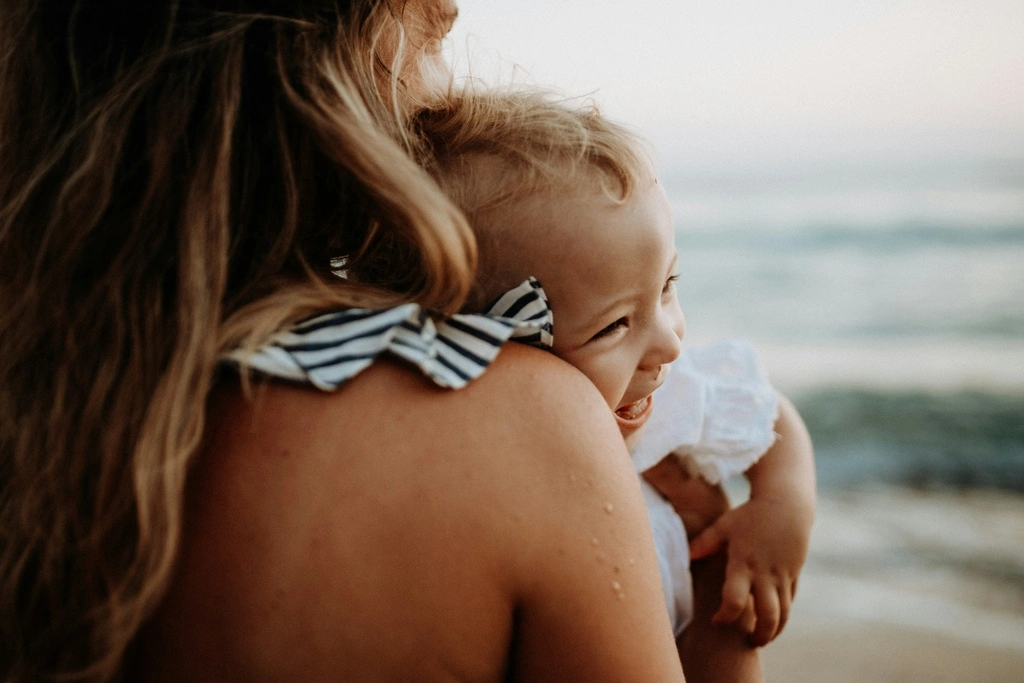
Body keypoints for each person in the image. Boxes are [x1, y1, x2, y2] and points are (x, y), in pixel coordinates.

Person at [0, 1, 688, 681]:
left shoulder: (45, 409)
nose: (452, 89)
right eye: (431, 39)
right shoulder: (522, 418)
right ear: (311, 64)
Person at [412, 89, 817, 681]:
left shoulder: (667, 399)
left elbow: (770, 415)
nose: (671, 344)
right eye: (614, 324)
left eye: (668, 287)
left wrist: (783, 508)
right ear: (493, 343)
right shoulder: (472, 458)